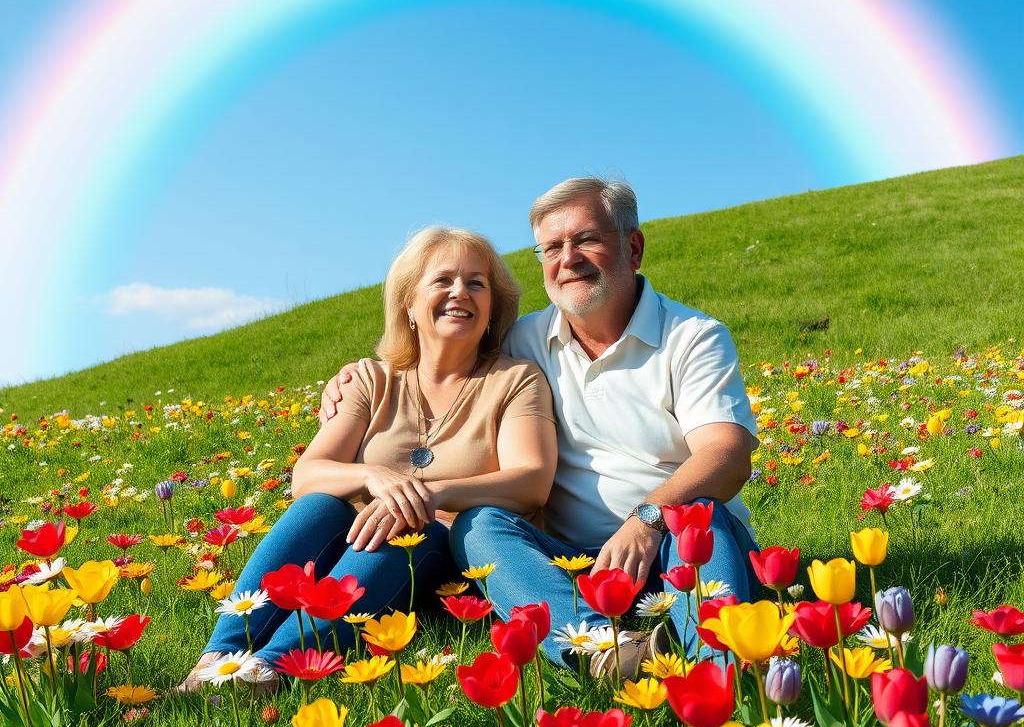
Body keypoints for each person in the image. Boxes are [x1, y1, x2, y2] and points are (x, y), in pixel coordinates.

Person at [321, 178, 761, 679]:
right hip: (569, 566)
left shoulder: (691, 337)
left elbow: (726, 456)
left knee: (700, 514)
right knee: (480, 524)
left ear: (633, 247)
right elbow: (438, 348)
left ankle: (721, 669)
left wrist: (647, 520)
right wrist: (352, 379)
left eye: (586, 240)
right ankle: (600, 648)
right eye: (551, 247)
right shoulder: (521, 342)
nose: (567, 259)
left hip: (676, 543)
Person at [178, 226, 557, 692]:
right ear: (409, 304)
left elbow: (531, 480)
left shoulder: (516, 379)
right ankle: (219, 657)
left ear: (492, 307)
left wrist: (429, 493)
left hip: (444, 554)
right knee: (318, 505)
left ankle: (270, 670)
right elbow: (307, 475)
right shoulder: (372, 380)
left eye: (476, 283)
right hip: (355, 540)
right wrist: (374, 476)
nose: (460, 292)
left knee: (410, 525)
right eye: (442, 280)